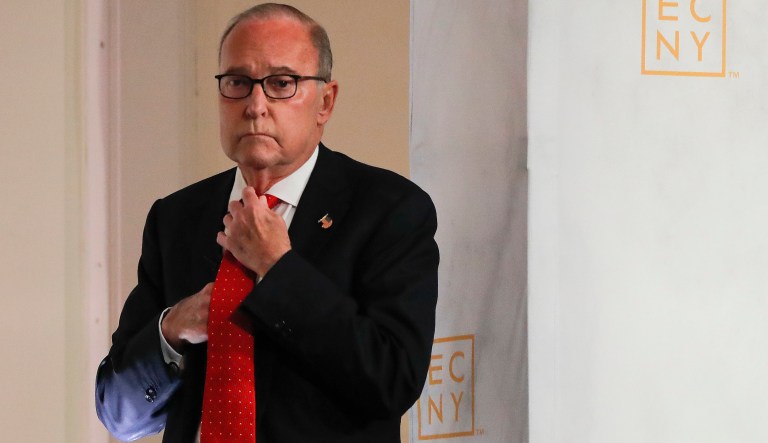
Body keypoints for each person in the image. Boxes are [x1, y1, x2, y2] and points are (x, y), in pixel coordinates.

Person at [95, 3, 439, 442]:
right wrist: (172, 328)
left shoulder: (387, 209)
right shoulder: (177, 218)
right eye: (238, 83)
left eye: (281, 84)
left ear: (325, 102)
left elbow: (392, 381)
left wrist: (280, 271)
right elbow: (117, 412)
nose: (255, 106)